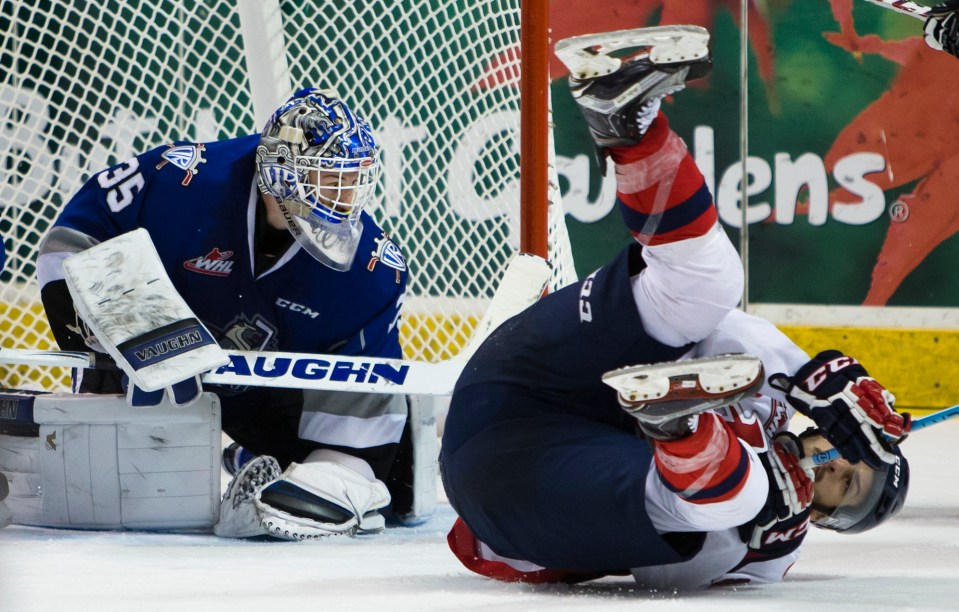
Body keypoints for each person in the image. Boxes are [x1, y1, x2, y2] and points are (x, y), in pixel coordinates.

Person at [440, 26, 912, 588]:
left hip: (510, 481)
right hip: (517, 381)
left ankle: (680, 429)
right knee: (711, 286)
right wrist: (808, 377)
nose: (837, 466)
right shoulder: (769, 395)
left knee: (737, 506)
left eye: (847, 487)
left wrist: (759, 534)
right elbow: (725, 328)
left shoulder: (774, 550)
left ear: (826, 516)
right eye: (852, 456)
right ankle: (627, 121)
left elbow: (674, 575)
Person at [29, 88, 419, 540]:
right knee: (114, 492)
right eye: (328, 178)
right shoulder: (183, 179)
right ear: (280, 175)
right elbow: (75, 240)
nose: (345, 197)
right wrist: (131, 332)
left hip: (264, 392)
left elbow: (369, 382)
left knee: (397, 487)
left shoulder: (371, 270)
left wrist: (341, 469)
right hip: (142, 372)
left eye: (351, 180)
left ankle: (245, 456)